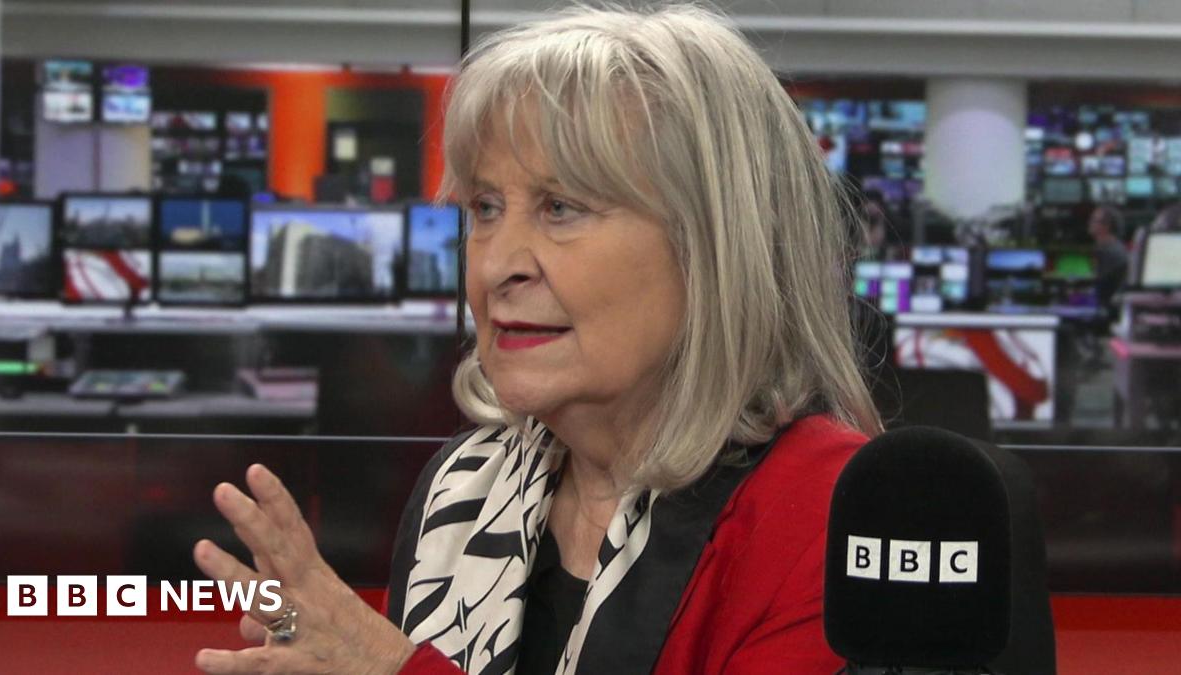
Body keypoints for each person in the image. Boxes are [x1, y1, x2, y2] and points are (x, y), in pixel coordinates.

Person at [192, 5, 880, 674]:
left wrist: (390, 669)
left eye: (561, 207)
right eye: (486, 208)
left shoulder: (831, 513)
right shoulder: (460, 492)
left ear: (719, 247)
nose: (495, 266)